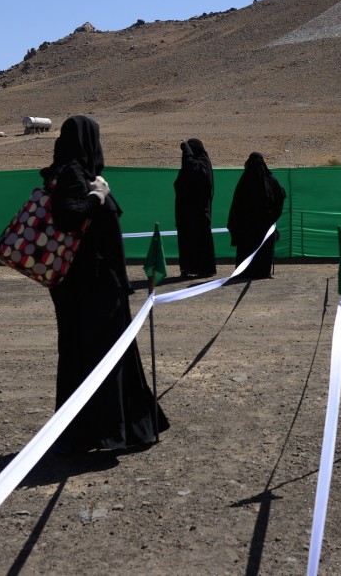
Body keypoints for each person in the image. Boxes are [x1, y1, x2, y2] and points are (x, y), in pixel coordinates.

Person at [41, 114, 167, 453]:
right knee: (99, 356)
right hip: (90, 288)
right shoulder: (71, 174)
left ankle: (116, 429)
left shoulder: (76, 172)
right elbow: (69, 215)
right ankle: (101, 432)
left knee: (98, 355)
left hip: (93, 285)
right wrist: (97, 196)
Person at [227, 152, 286, 279]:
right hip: (264, 224)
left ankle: (245, 271)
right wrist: (273, 216)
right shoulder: (271, 180)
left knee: (247, 248)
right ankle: (263, 272)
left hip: (246, 225)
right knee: (263, 249)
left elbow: (236, 204)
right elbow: (280, 197)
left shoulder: (245, 179)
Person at [174, 138, 217, 278]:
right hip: (187, 215)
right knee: (187, 241)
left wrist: (186, 150)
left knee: (200, 241)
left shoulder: (202, 164)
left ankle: (204, 268)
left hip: (199, 214)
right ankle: (189, 267)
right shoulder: (191, 166)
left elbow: (194, 169)